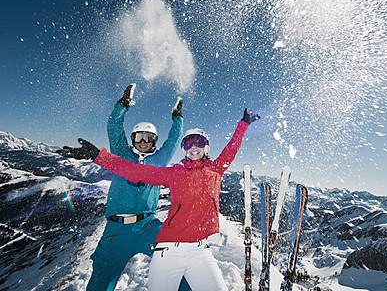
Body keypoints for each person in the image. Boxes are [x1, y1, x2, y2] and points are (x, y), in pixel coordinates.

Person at [57, 108, 260, 291]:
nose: (194, 147)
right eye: (189, 143)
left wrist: (243, 124)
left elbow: (230, 149)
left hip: (176, 238)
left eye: (199, 143)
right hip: (144, 240)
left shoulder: (212, 169)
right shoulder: (170, 172)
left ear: (206, 147)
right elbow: (133, 169)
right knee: (102, 279)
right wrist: (97, 155)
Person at [72, 84, 190, 291]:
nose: (143, 142)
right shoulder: (122, 155)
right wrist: (122, 105)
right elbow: (114, 128)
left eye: (148, 138)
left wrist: (177, 117)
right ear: (132, 139)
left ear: (154, 140)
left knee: (177, 262)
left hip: (148, 226)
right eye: (139, 137)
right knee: (101, 278)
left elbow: (174, 140)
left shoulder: (160, 159)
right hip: (116, 229)